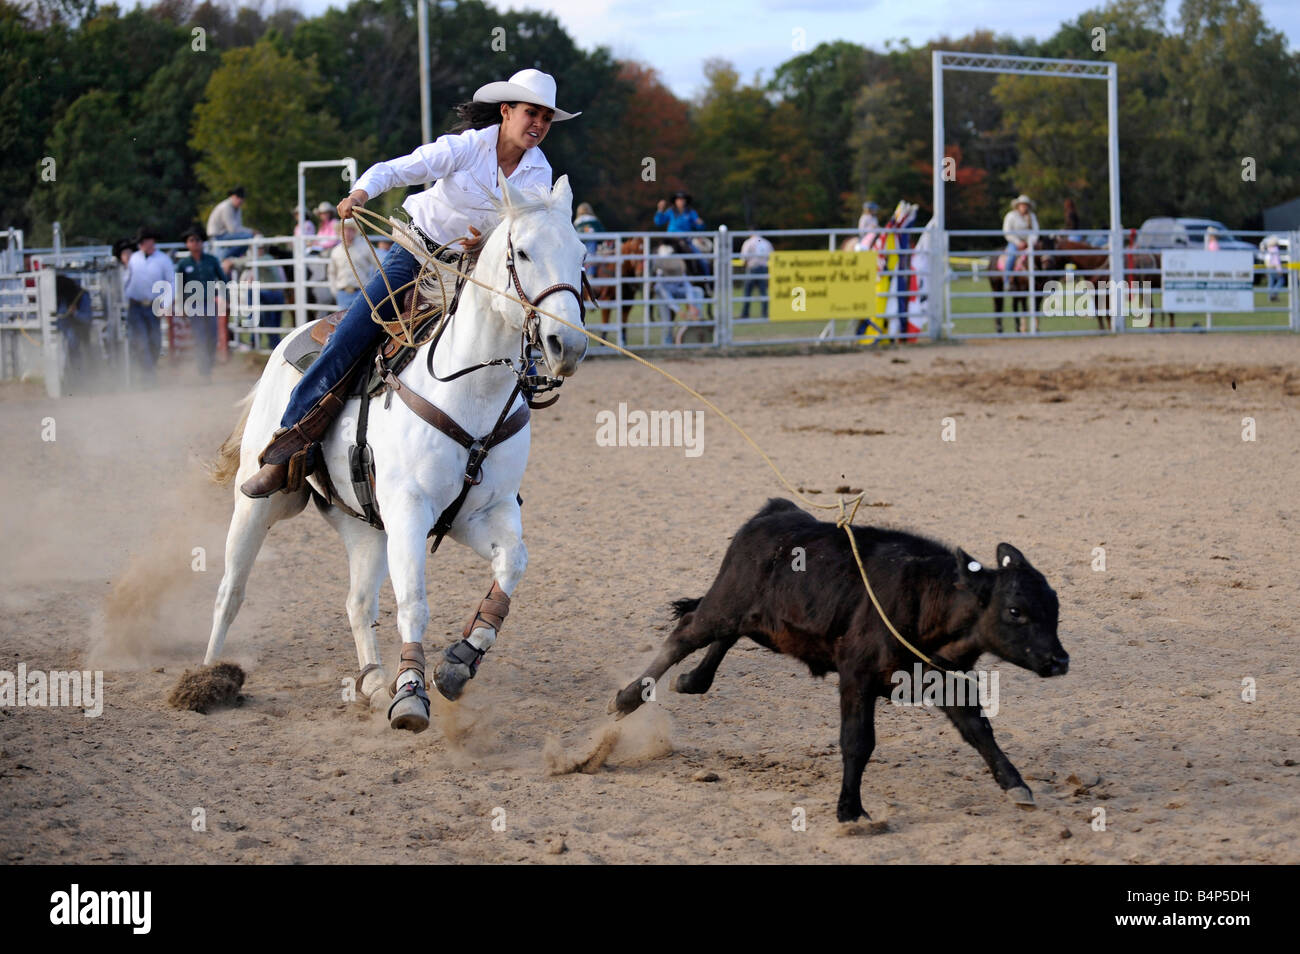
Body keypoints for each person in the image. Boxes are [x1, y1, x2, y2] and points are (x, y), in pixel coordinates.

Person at [240, 67, 580, 500]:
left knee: (509, 347)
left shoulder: (538, 172)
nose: (538, 124)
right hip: (417, 254)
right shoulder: (467, 147)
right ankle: (289, 445)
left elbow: (523, 233)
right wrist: (362, 193)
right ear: (507, 111)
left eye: (546, 118)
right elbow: (398, 169)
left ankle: (495, 471)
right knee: (355, 332)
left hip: (473, 271)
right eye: (531, 113)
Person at [175, 226, 229, 381]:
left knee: (212, 337)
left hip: (210, 303)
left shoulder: (211, 260)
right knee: (199, 337)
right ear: (187, 244)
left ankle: (208, 367)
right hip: (193, 305)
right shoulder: (183, 264)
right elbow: (179, 286)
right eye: (192, 240)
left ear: (202, 243)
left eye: (198, 240)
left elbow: (223, 280)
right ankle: (204, 371)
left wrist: (225, 298)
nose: (195, 243)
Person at [122, 227, 174, 385]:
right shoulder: (133, 259)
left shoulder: (163, 259)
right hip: (135, 305)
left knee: (155, 341)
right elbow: (125, 280)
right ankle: (148, 375)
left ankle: (148, 371)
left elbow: (171, 281)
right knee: (141, 340)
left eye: (149, 239)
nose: (147, 243)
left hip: (154, 305)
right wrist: (124, 300)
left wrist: (166, 303)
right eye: (144, 241)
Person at [55, 274, 94, 386]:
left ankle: (79, 382)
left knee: (74, 349)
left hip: (80, 334)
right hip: (65, 333)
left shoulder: (82, 296)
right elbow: (60, 317)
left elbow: (87, 318)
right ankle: (70, 382)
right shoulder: (62, 297)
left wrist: (75, 313)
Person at [328, 219, 375, 313]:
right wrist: (334, 290)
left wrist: (372, 285)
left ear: (355, 231)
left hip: (362, 291)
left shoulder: (365, 247)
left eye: (350, 229)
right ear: (340, 232)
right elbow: (331, 272)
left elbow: (377, 266)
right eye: (344, 229)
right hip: (343, 293)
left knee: (362, 318)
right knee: (342, 321)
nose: (347, 233)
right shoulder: (335, 251)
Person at [206, 186, 255, 258]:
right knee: (249, 236)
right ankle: (225, 257)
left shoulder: (237, 209)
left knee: (246, 240)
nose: (240, 200)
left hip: (225, 235)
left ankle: (231, 258)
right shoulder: (226, 207)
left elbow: (238, 227)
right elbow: (233, 229)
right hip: (217, 236)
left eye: (241, 198)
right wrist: (251, 231)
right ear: (233, 196)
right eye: (238, 197)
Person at [739, 232, 773, 319]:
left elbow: (744, 257)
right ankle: (764, 313)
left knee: (747, 292)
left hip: (752, 268)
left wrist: (745, 265)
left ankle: (745, 313)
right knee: (763, 292)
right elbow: (772, 256)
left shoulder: (749, 242)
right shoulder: (766, 242)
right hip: (764, 268)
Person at [1001, 194, 1039, 272]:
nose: (1024, 207)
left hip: (1029, 243)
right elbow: (1007, 231)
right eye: (1022, 204)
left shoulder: (1032, 216)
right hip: (1014, 243)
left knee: (1041, 257)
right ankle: (1007, 280)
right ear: (1018, 205)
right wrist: (1018, 242)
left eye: (1026, 205)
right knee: (1011, 257)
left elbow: (1036, 231)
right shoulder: (1011, 215)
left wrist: (1030, 242)